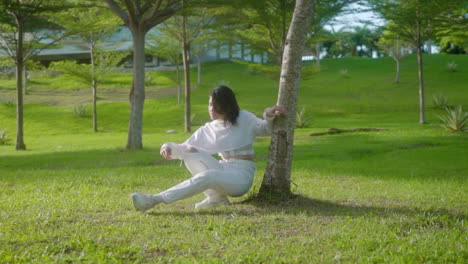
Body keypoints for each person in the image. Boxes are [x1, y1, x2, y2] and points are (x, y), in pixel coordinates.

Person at [131, 85, 284, 212]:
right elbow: (183, 148)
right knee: (190, 151)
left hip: (241, 176)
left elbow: (265, 129)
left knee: (209, 175)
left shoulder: (244, 117)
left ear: (227, 105)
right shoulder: (209, 128)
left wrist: (268, 115)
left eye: (216, 106)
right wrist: (168, 146)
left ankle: (154, 200)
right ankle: (216, 199)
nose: (211, 109)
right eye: (210, 104)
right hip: (223, 168)